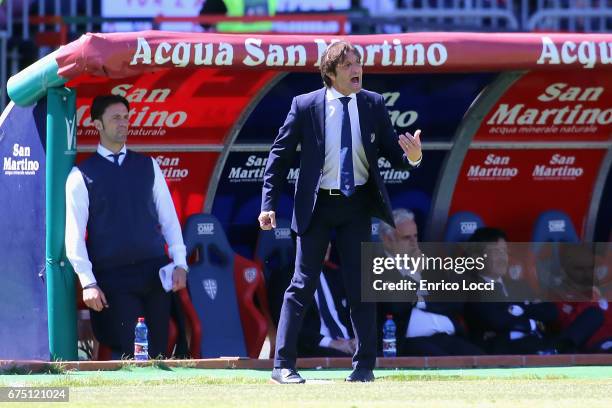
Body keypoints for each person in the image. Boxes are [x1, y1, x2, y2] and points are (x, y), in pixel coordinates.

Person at [259, 40, 423, 383]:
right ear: (330, 73)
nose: (356, 69)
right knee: (301, 285)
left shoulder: (373, 104)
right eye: (348, 65)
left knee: (361, 286)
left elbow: (395, 155)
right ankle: (283, 366)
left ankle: (364, 367)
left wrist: (414, 156)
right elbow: (279, 157)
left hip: (356, 205)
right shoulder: (305, 105)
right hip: (317, 205)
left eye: (358, 62)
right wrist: (268, 205)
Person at [65, 94, 189, 359]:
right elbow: (73, 236)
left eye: (126, 117)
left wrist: (180, 263)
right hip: (114, 277)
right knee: (133, 353)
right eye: (115, 118)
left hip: (155, 273)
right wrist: (88, 283)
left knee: (156, 353)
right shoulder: (81, 176)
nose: (123, 123)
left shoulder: (149, 166)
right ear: (97, 124)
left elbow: (169, 220)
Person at [377, 209, 484, 356]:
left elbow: (454, 301)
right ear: (387, 240)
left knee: (480, 358)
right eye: (406, 238)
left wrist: (420, 302)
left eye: (415, 236)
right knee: (442, 361)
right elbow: (395, 305)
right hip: (407, 342)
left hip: (445, 336)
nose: (414, 243)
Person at [298, 243, 356, 358]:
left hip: (349, 343)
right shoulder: (285, 277)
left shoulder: (336, 274)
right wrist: (331, 343)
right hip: (316, 347)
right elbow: (289, 325)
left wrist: (357, 338)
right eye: (323, 239)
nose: (328, 245)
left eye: (329, 241)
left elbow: (356, 311)